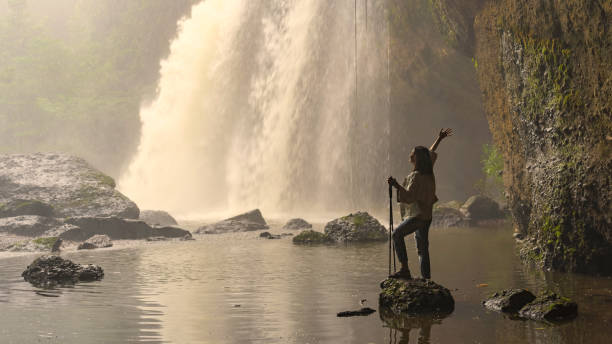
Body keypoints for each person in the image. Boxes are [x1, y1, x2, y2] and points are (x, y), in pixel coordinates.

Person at [387, 128, 453, 279]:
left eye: (413, 153)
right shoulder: (428, 170)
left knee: (397, 234)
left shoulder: (417, 177)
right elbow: (429, 152)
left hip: (418, 216)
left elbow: (409, 197)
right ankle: (426, 279)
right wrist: (439, 139)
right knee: (423, 249)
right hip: (427, 215)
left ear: (417, 158)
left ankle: (405, 269)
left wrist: (396, 184)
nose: (410, 155)